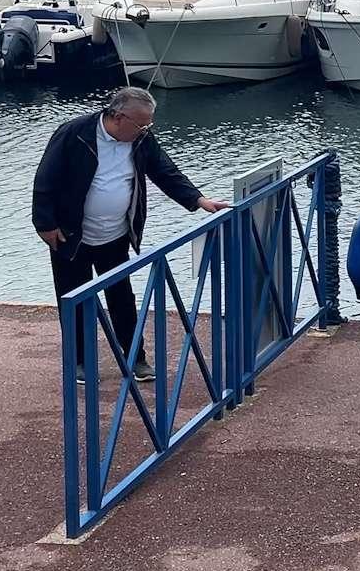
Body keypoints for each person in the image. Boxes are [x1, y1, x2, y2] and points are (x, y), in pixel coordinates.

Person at [32, 87, 228, 382]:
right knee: (73, 300)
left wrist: (199, 200)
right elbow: (46, 179)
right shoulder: (74, 133)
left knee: (122, 298)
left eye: (148, 124)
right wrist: (45, 225)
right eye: (141, 124)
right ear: (118, 117)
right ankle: (79, 362)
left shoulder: (141, 139)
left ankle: (136, 358)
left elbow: (165, 171)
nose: (145, 130)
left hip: (116, 235)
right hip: (71, 236)